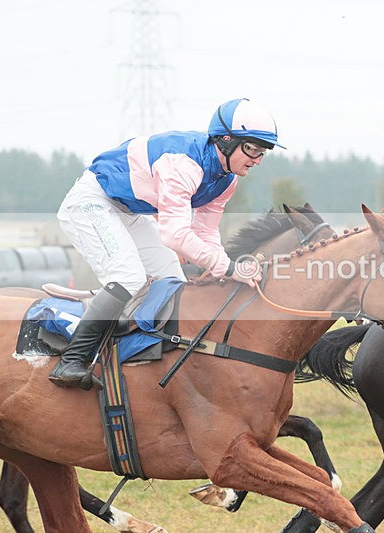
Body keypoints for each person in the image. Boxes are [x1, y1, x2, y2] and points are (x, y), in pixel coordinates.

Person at [49, 97, 282, 389]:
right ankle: (72, 360)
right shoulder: (183, 165)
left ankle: (141, 356)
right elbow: (174, 234)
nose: (257, 159)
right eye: (252, 149)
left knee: (171, 278)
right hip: (93, 202)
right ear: (225, 141)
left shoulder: (227, 180)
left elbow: (206, 233)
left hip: (130, 211)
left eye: (263, 152)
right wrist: (227, 267)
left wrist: (223, 266)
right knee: (128, 276)